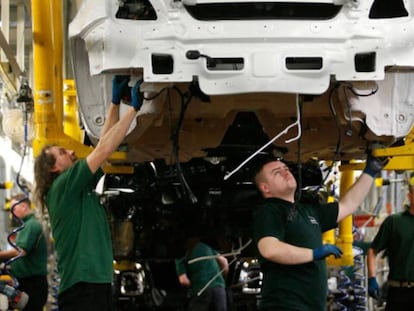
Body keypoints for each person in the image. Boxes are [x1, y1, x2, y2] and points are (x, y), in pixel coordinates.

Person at [33, 75, 142, 311]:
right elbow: (103, 150)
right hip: (84, 286)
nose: (72, 151)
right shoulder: (62, 186)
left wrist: (114, 104)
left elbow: (102, 145)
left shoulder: (75, 187)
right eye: (63, 151)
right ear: (54, 168)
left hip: (93, 282)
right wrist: (133, 110)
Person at [251, 153, 387, 310]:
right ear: (265, 187)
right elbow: (269, 249)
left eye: (285, 168)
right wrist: (314, 254)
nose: (285, 172)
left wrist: (370, 172)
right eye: (277, 172)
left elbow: (348, 205)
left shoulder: (307, 211)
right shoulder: (269, 211)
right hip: (284, 305)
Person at [367, 173, 414, 310]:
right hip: (398, 292)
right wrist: (372, 278)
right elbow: (372, 250)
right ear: (409, 196)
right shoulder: (394, 222)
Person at [0, 193, 48, 311]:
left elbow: (20, 251)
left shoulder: (31, 225)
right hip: (27, 282)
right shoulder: (25, 225)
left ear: (24, 206)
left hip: (32, 285)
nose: (12, 212)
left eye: (14, 208)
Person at [175, 235, 229, 311]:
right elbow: (224, 261)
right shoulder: (205, 247)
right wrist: (221, 279)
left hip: (201, 288)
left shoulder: (181, 255)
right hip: (219, 288)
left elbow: (183, 281)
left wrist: (193, 287)